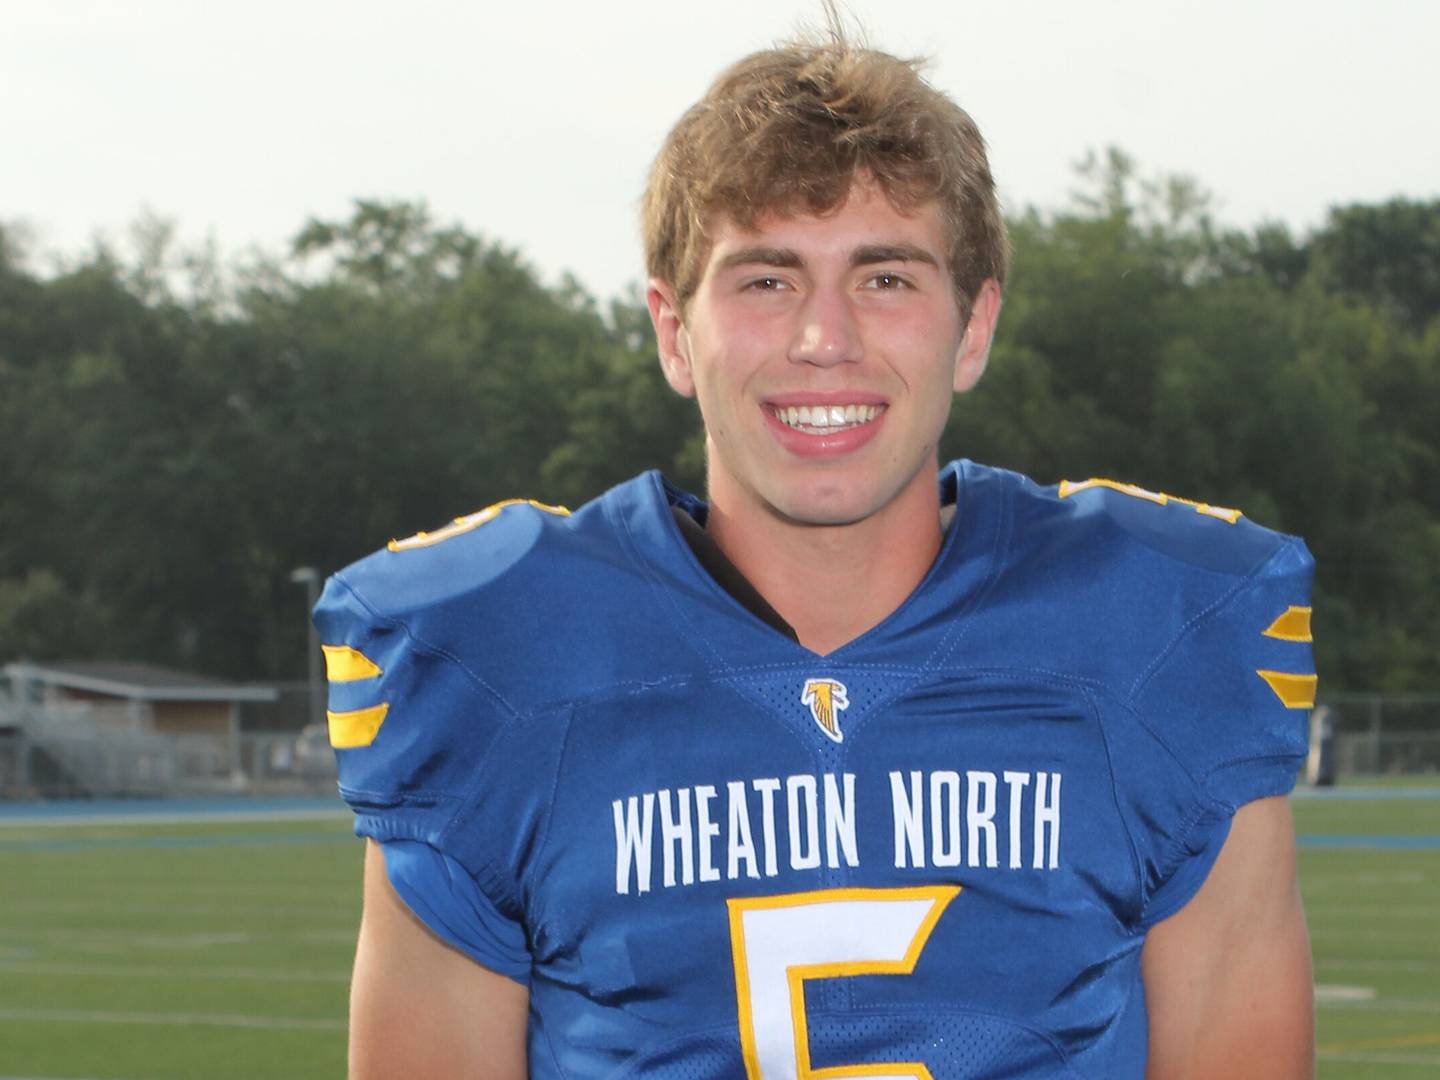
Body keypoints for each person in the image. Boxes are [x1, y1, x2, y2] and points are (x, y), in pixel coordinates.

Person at [315, 24, 1317, 1080]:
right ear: (673, 331)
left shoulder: (1156, 633)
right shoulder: (498, 656)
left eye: (885, 279)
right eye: (765, 280)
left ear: (973, 328)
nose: (823, 338)